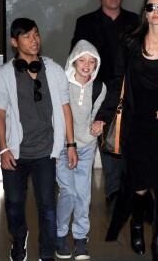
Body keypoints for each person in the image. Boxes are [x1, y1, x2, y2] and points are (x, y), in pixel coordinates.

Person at [92, 0, 158, 261]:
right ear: (145, 12)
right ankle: (137, 222)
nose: (157, 11)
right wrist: (102, 115)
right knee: (139, 183)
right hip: (136, 123)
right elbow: (117, 82)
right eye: (151, 6)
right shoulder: (129, 42)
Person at [0, 18, 78, 261]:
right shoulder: (4, 75)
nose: (34, 40)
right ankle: (19, 239)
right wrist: (4, 149)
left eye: (36, 34)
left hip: (45, 151)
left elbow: (65, 107)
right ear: (14, 42)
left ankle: (46, 253)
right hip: (15, 153)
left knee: (47, 206)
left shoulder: (54, 70)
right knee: (14, 204)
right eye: (27, 36)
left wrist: (70, 144)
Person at [70, 0, 138, 208]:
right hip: (97, 91)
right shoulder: (85, 22)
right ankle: (114, 192)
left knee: (128, 140)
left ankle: (131, 189)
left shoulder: (135, 21)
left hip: (129, 91)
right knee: (105, 138)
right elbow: (76, 57)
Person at [55, 40, 106, 260]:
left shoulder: (99, 87)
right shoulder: (61, 84)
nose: (86, 65)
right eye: (82, 60)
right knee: (68, 191)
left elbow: (95, 115)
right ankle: (59, 234)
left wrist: (98, 125)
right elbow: (54, 118)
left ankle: (80, 239)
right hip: (62, 148)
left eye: (92, 61)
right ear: (73, 61)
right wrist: (56, 148)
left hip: (86, 147)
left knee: (83, 195)